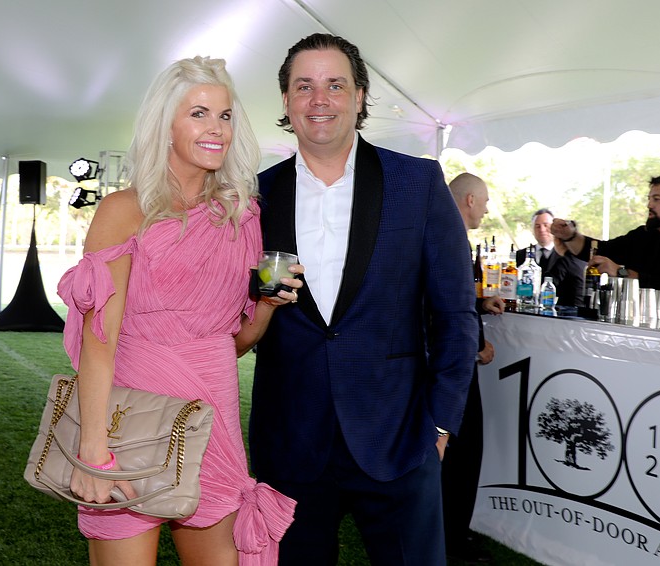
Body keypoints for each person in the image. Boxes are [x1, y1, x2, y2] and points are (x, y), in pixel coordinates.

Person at [56, 56, 299, 566]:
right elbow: (100, 341)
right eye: (198, 113)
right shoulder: (124, 210)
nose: (216, 128)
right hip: (128, 423)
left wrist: (266, 305)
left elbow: (233, 343)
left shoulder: (242, 215)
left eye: (225, 115)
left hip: (212, 422)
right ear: (165, 124)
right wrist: (93, 450)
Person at [249, 34, 477, 565]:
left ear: (359, 96)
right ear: (286, 100)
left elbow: (455, 314)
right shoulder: (255, 195)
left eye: (335, 84)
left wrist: (440, 425)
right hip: (290, 443)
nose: (319, 99)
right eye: (304, 86)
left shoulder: (417, 182)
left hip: (399, 437)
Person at [551, 172, 660, 331]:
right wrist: (570, 236)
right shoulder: (642, 236)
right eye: (649, 199)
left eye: (657, 199)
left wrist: (621, 272)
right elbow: (600, 250)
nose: (649, 205)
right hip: (634, 330)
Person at [445, 172, 502, 564]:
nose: (485, 209)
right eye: (484, 201)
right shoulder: (451, 236)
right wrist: (477, 345)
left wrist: (482, 304)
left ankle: (449, 533)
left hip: (444, 360)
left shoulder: (439, 230)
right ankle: (453, 540)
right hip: (455, 362)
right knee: (462, 453)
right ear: (469, 200)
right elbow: (450, 304)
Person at [515, 208, 586, 307]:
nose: (542, 230)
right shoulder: (521, 255)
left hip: (565, 311)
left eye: (546, 225)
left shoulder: (569, 258)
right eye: (537, 226)